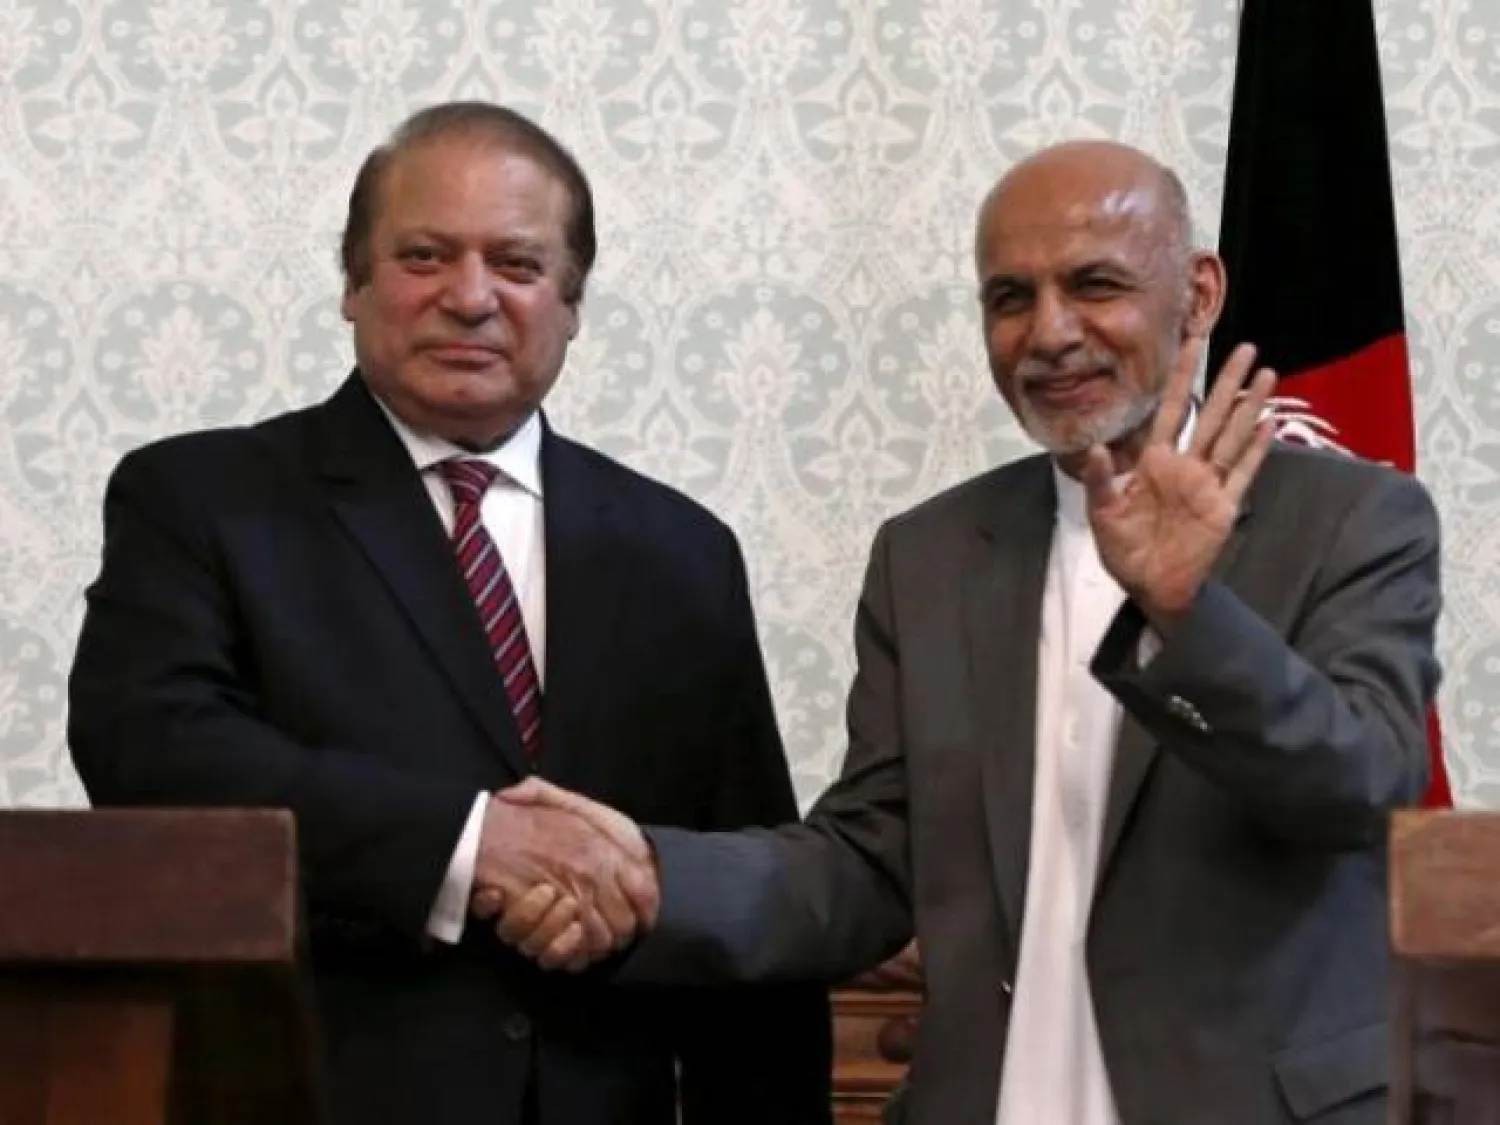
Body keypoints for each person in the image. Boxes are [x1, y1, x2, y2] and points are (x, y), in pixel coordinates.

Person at [479, 140, 1443, 1125]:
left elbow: (1363, 789)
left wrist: (1188, 613)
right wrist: (651, 876)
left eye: (1094, 284)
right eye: (1009, 298)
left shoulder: (1355, 518)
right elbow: (869, 862)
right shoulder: (928, 554)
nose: (1051, 333)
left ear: (1197, 295)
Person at [67, 101, 831, 1125]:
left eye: (516, 264)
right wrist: (469, 848)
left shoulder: (680, 551)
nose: (470, 298)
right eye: (426, 255)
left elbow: (742, 892)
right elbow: (151, 753)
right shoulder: (206, 498)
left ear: (572, 300)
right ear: (354, 282)